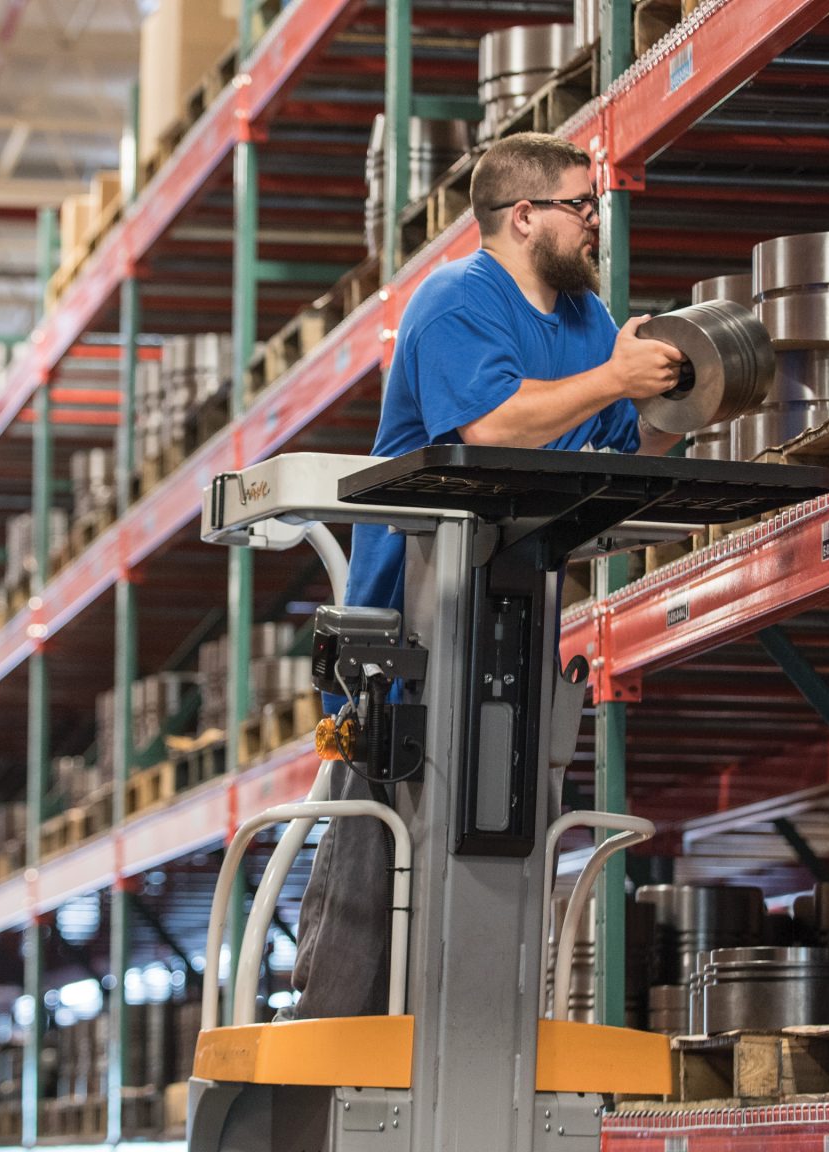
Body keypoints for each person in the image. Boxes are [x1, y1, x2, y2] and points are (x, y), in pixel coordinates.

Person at [285, 133, 686, 1020]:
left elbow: (625, 443)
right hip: (412, 638)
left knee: (495, 869)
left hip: (514, 620)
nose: (595, 221)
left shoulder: (585, 318)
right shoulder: (456, 298)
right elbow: (491, 426)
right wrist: (613, 376)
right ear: (524, 215)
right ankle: (327, 1068)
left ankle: (473, 1057)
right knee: (373, 888)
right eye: (582, 205)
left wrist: (672, 394)